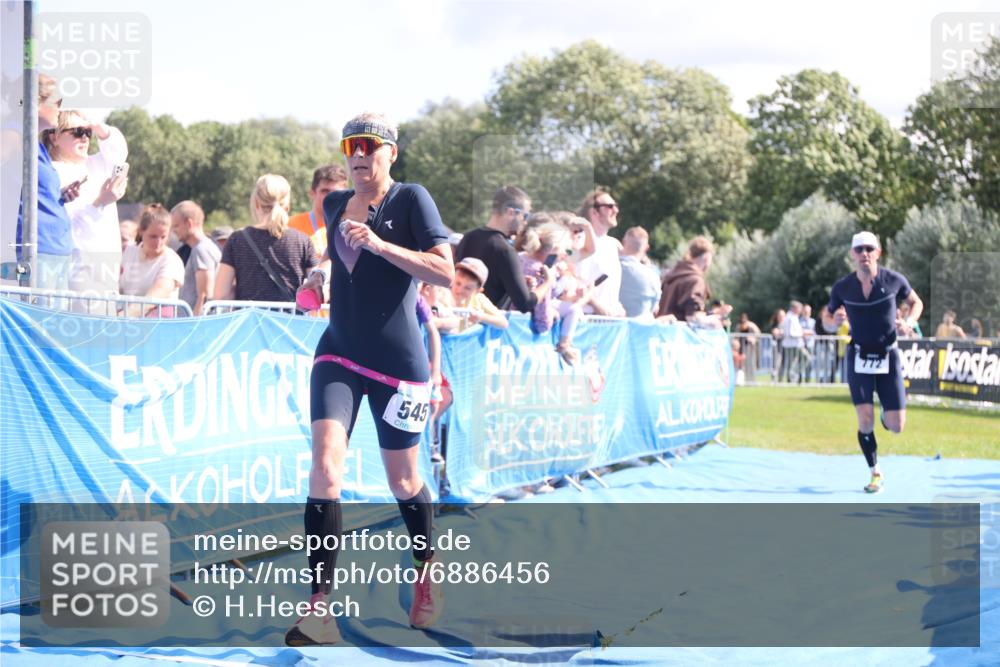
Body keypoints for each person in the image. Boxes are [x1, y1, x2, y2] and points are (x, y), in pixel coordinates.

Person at [287, 113, 454, 646]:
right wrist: (319, 274)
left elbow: (445, 271)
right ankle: (320, 609)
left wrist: (381, 246)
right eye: (350, 146)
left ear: (390, 153)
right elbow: (335, 257)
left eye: (369, 145)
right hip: (338, 352)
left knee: (403, 480)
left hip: (398, 363)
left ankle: (427, 567)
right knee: (324, 468)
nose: (358, 155)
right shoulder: (335, 204)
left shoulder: (412, 200)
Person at [821, 231, 923, 494]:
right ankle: (875, 471)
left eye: (869, 249)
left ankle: (885, 414)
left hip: (888, 356)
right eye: (859, 250)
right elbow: (826, 319)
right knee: (864, 420)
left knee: (896, 426)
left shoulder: (893, 280)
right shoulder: (843, 287)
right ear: (852, 254)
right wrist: (834, 322)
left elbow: (916, 302)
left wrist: (909, 323)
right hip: (859, 357)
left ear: (878, 252)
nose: (864, 254)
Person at [46, 110, 129, 312]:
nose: (84, 137)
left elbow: (119, 151)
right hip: (78, 268)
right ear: (54, 137)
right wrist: (100, 202)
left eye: (87, 132)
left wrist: (99, 128)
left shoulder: (96, 163)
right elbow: (69, 225)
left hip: (107, 268)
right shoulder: (50, 171)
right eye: (77, 132)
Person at [14, 74, 77, 292]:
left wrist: (59, 195)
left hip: (55, 251)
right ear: (36, 102)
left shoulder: (37, 145)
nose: (60, 109)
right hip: (35, 251)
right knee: (35, 314)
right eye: (57, 102)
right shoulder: (15, 135)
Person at [214, 175, 318, 302]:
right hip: (289, 314)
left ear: (257, 204)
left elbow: (221, 294)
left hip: (250, 314)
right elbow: (317, 288)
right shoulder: (303, 241)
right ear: (287, 205)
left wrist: (243, 288)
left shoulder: (237, 240)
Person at [455, 185, 553, 312]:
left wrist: (516, 283)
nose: (525, 222)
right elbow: (525, 303)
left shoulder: (468, 237)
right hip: (484, 320)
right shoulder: (505, 250)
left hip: (457, 314)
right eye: (525, 216)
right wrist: (548, 282)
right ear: (510, 212)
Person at [119, 204, 185, 316]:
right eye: (153, 236)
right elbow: (119, 287)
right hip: (128, 320)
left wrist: (123, 316)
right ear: (141, 231)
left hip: (158, 322)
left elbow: (158, 294)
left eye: (163, 237)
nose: (158, 242)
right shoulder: (130, 252)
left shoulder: (172, 260)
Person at [575, 189, 626, 316]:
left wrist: (617, 306)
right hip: (586, 318)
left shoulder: (612, 245)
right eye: (610, 206)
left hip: (609, 320)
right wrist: (598, 307)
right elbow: (576, 282)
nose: (616, 210)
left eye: (615, 206)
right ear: (594, 212)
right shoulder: (581, 241)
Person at [657, 236, 725, 328]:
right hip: (679, 334)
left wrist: (711, 313)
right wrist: (715, 322)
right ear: (706, 257)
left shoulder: (671, 276)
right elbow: (692, 317)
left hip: (660, 332)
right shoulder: (696, 280)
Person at [171, 201, 220, 316]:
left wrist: (195, 323)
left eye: (176, 226)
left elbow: (204, 295)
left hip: (195, 321)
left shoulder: (201, 250)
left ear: (189, 223)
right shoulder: (204, 248)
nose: (174, 230)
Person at [288, 164, 349, 256]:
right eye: (325, 191)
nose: (331, 197)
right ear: (312, 193)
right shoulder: (291, 225)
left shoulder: (352, 226)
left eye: (336, 192)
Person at [450, 257, 508, 332]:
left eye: (467, 288)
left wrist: (481, 317)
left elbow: (504, 323)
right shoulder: (442, 294)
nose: (460, 290)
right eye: (458, 283)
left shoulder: (479, 299)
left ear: (478, 291)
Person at [618, 226, 661, 318]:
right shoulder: (652, 276)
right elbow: (654, 308)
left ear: (624, 242)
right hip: (641, 324)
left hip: (611, 324)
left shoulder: (609, 268)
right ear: (646, 248)